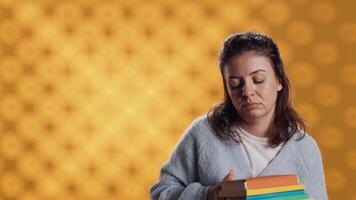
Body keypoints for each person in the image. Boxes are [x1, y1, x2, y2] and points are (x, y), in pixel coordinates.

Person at [150, 32, 328, 200]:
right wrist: (207, 195)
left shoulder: (305, 150)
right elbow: (161, 192)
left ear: (279, 81)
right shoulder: (203, 134)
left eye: (258, 79)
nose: (247, 91)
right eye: (235, 84)